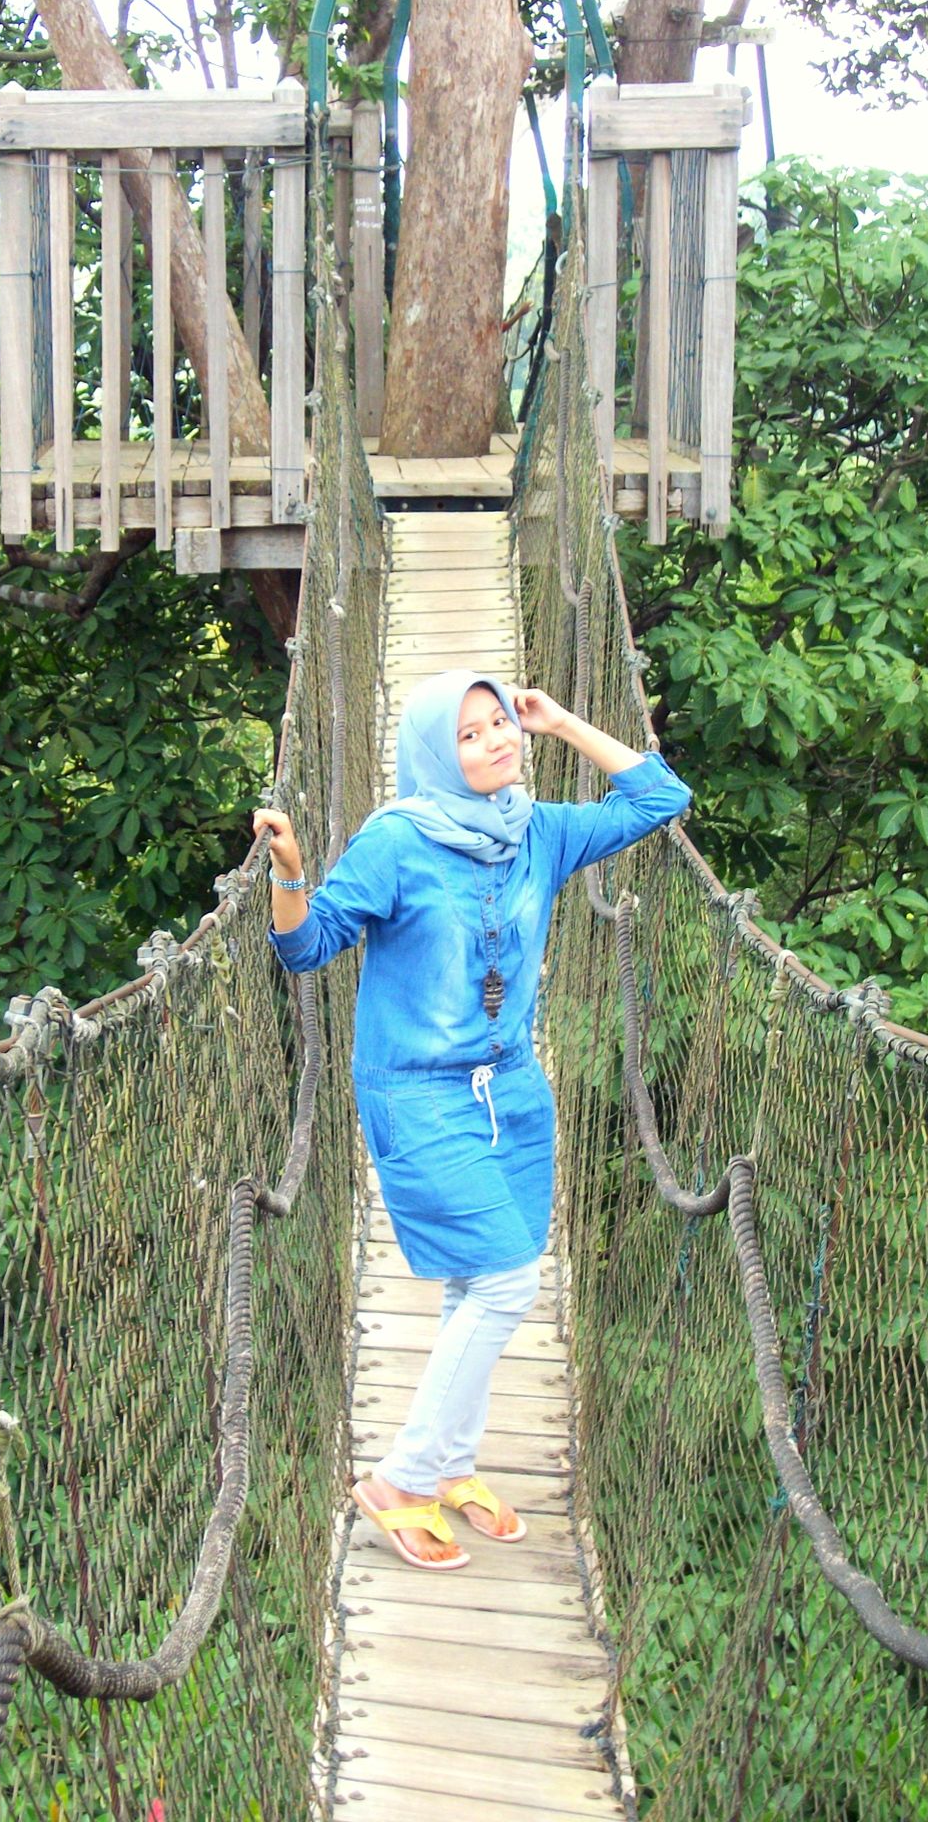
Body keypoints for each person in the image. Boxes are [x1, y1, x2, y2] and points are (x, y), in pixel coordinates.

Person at [253, 670, 690, 1571]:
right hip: (417, 1093)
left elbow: (661, 797)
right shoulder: (396, 842)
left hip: (514, 1089)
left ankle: (450, 1465)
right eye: (471, 733)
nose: (497, 739)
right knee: (505, 1284)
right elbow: (306, 948)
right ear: (430, 755)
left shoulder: (539, 831)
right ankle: (402, 1479)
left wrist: (563, 721)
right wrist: (291, 875)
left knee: (477, 1278)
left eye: (501, 722)